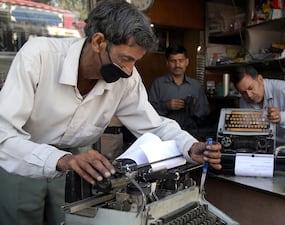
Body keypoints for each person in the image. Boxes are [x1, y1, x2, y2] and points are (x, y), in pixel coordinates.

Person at [0, 1, 222, 225]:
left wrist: (189, 145)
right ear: (98, 41)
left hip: (78, 170)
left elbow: (153, 124)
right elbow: (4, 135)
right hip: (21, 160)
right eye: (126, 58)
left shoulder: (127, 78)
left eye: (135, 61)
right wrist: (63, 159)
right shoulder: (39, 56)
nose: (129, 71)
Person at [148, 44, 210, 135]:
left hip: (191, 133)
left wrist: (195, 107)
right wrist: (166, 106)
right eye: (173, 61)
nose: (177, 65)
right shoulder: (158, 84)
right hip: (165, 133)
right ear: (167, 63)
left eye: (181, 61)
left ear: (187, 62)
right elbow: (148, 112)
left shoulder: (196, 85)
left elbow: (205, 112)